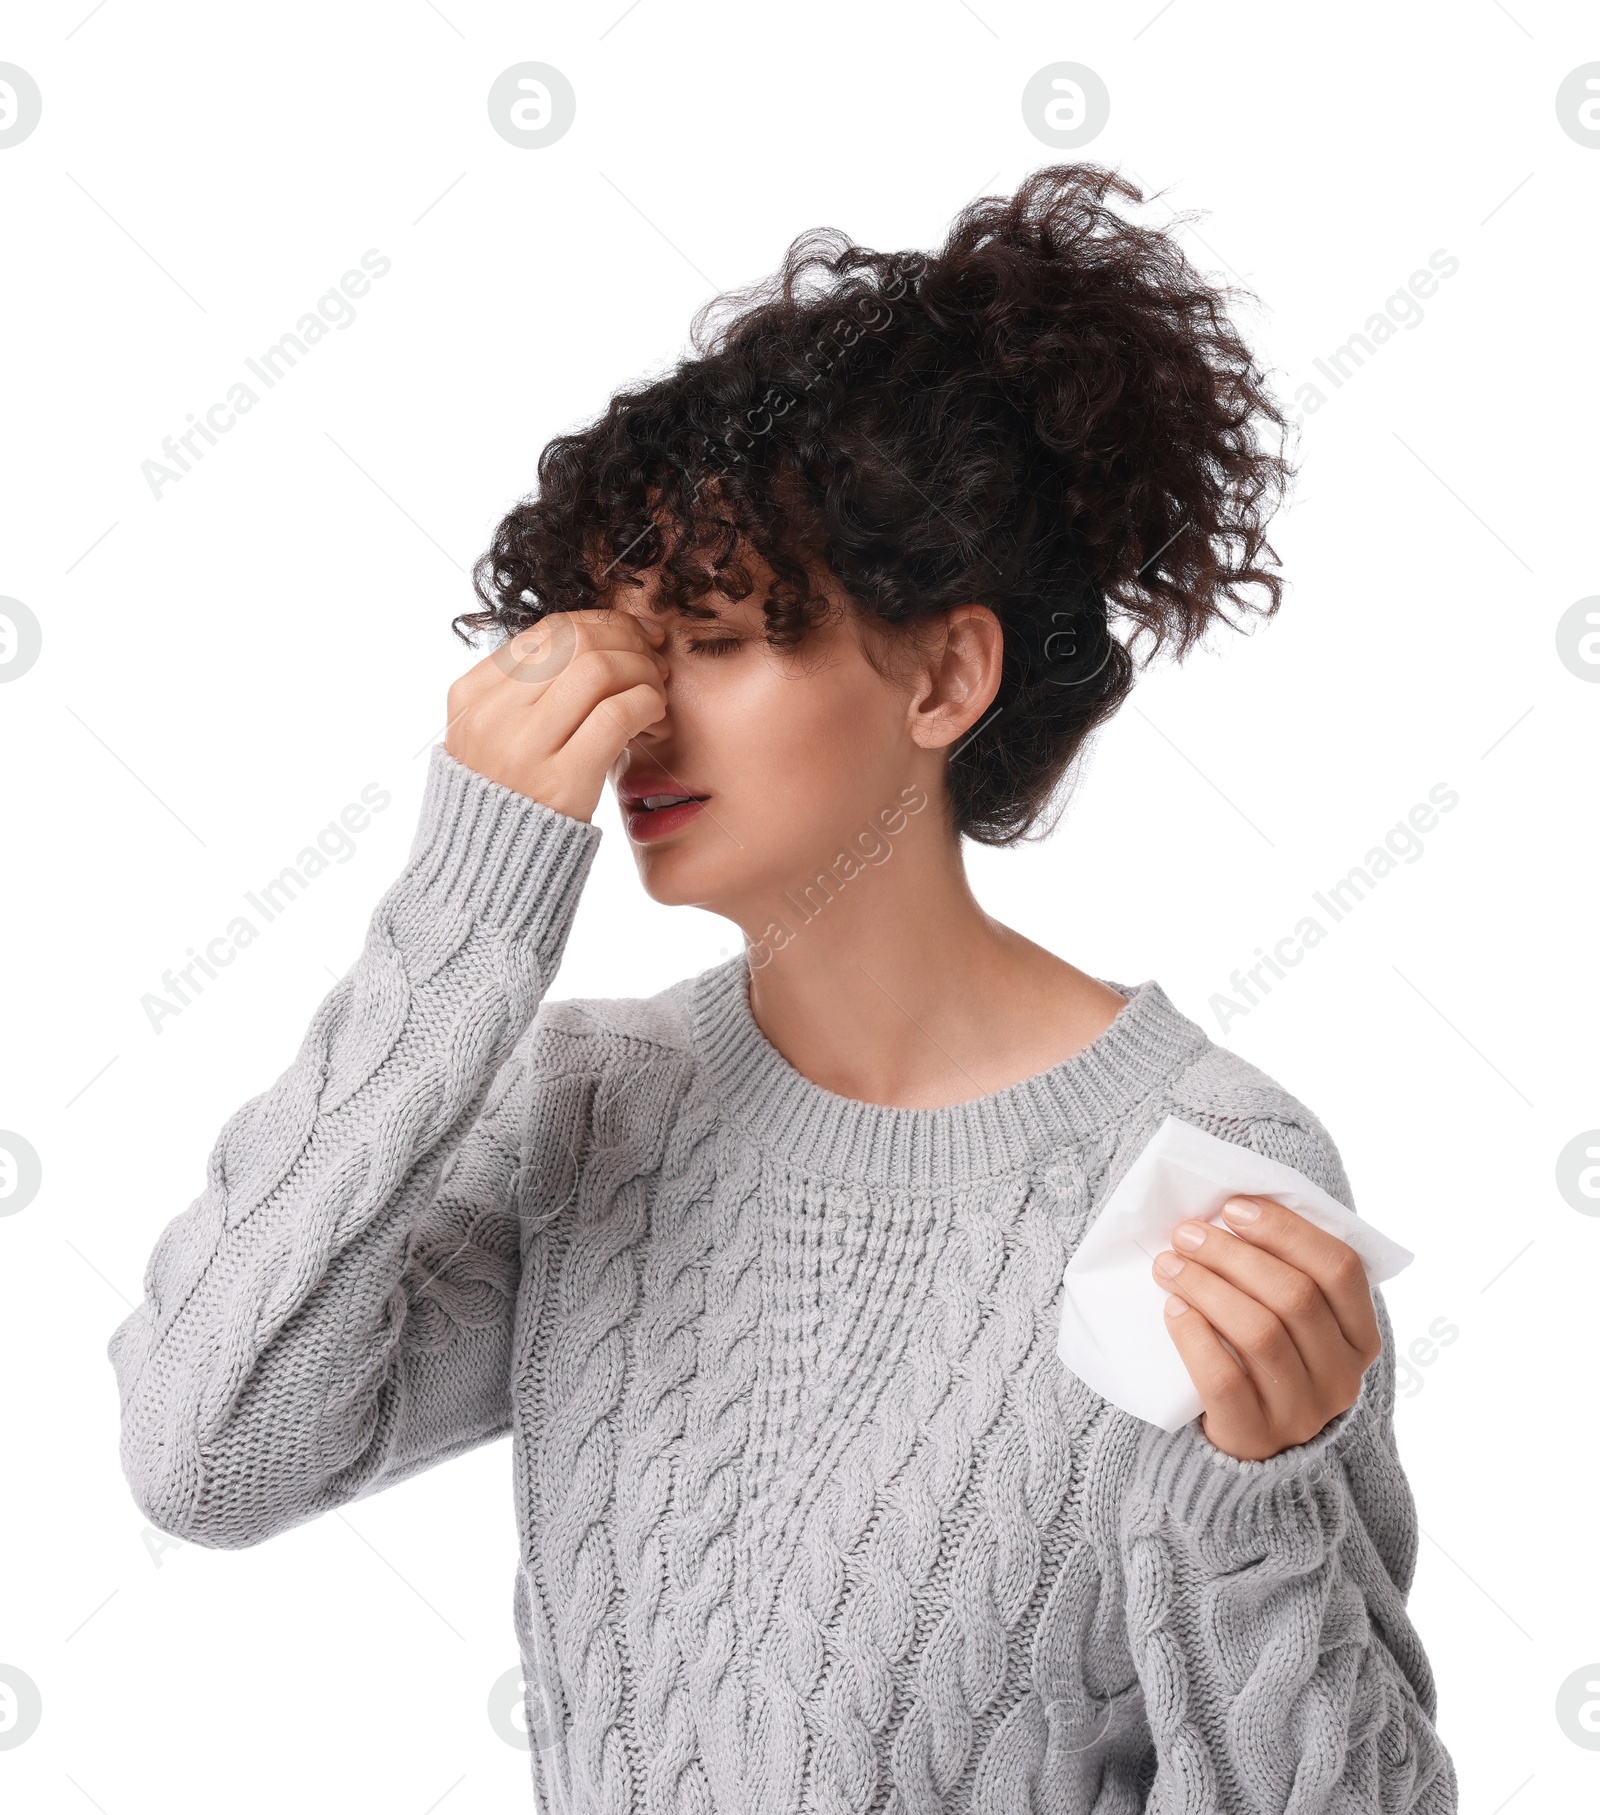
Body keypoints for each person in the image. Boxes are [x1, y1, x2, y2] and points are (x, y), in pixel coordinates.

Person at [108, 164, 1458, 1812]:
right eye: (618, 639)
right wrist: (466, 913)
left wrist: (1260, 1508)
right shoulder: (586, 1110)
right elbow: (208, 1456)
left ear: (946, 676)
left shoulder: (1198, 1172)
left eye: (720, 639)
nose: (635, 722)